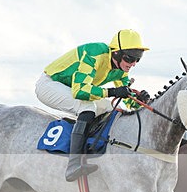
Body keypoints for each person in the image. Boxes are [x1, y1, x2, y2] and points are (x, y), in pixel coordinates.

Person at [36, 29, 151, 182]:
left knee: (113, 108)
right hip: (50, 84)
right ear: (116, 53)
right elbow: (80, 91)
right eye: (130, 58)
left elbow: (127, 100)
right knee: (88, 107)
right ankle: (73, 164)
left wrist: (141, 100)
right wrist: (113, 91)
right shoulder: (94, 52)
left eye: (138, 59)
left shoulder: (120, 69)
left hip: (70, 88)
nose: (133, 64)